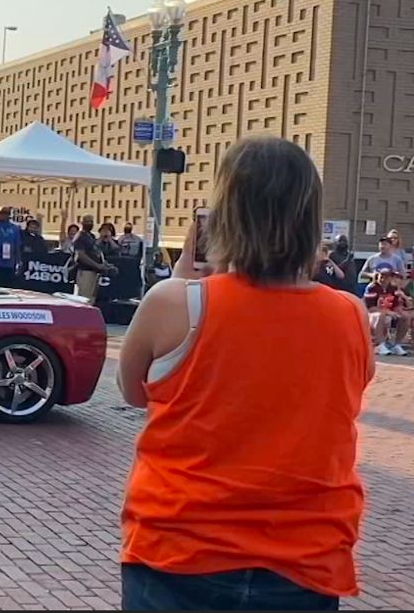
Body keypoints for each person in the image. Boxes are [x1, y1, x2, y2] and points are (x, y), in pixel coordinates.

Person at [117, 137, 372, 611]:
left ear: (225, 213)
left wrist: (192, 275)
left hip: (179, 549)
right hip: (305, 558)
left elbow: (135, 391)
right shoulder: (351, 315)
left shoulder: (176, 303)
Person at [364, 264, 410, 356]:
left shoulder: (393, 288)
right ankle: (380, 345)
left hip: (388, 313)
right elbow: (370, 308)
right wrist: (387, 312)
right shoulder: (372, 287)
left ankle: (397, 344)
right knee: (381, 316)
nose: (384, 279)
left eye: (388, 276)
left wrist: (399, 312)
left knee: (406, 316)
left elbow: (396, 305)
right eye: (383, 276)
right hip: (371, 315)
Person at [73, 215, 115, 302]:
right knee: (84, 299)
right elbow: (81, 255)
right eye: (87, 222)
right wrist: (97, 265)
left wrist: (105, 264)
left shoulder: (91, 236)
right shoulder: (80, 236)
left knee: (92, 299)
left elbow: (96, 253)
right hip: (85, 272)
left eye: (91, 222)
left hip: (94, 272)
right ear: (82, 223)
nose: (90, 224)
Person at [0, 206, 22, 287]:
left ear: (9, 215)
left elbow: (17, 246)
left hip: (10, 264)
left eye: (6, 213)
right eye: (1, 213)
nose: (3, 215)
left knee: (8, 286)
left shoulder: (15, 228)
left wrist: (18, 261)